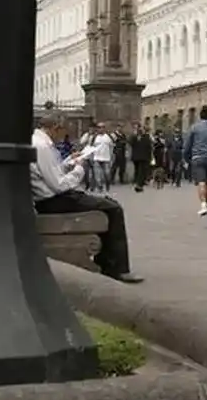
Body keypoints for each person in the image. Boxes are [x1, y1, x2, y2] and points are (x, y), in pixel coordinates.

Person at [30, 112, 143, 283]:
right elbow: (59, 185)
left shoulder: (39, 142)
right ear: (55, 128)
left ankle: (107, 261)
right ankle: (117, 268)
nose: (65, 135)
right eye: (64, 131)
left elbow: (51, 173)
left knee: (108, 204)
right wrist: (79, 170)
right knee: (113, 208)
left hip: (50, 196)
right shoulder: (42, 147)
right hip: (54, 200)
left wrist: (68, 162)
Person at [130, 125, 153, 193]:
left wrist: (150, 156)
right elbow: (130, 143)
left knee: (142, 171)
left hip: (144, 157)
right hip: (137, 157)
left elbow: (149, 147)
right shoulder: (135, 137)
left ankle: (139, 184)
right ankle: (138, 183)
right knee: (139, 170)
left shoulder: (146, 137)